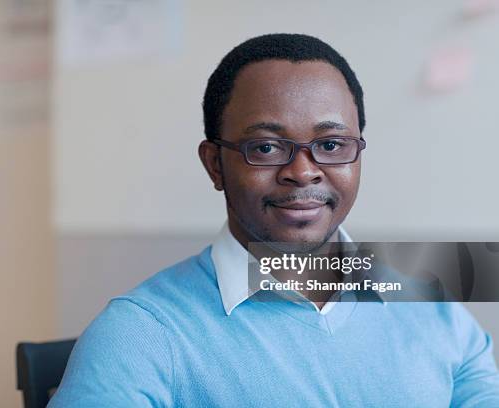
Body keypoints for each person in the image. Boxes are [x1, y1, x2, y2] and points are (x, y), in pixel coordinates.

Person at [48, 34, 499, 407]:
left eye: (332, 144)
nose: (303, 171)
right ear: (215, 165)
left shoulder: (432, 306)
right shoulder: (142, 334)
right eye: (264, 148)